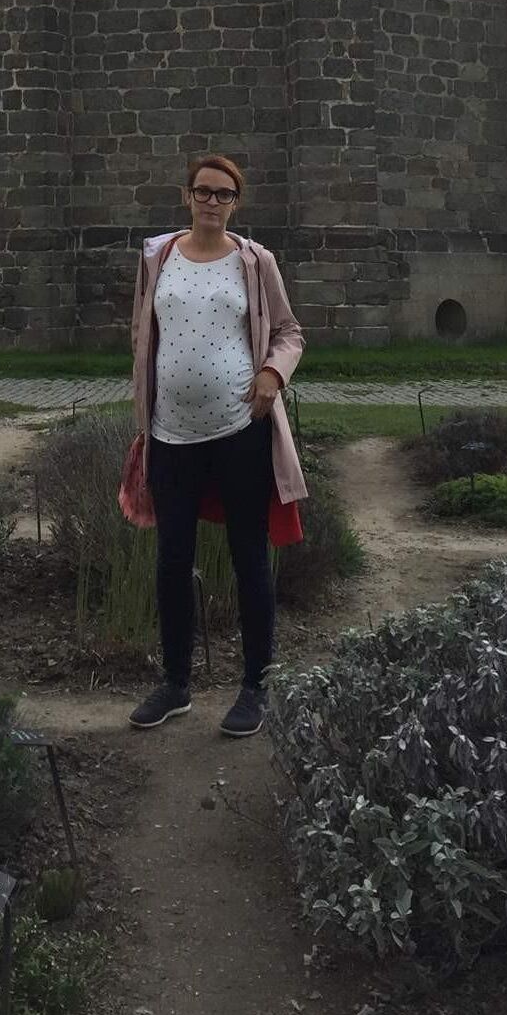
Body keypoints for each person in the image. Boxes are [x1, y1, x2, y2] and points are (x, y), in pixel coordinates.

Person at [126, 154, 308, 738]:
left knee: (249, 557)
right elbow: (143, 330)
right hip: (170, 433)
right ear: (187, 196)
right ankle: (176, 684)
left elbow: (288, 331)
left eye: (223, 194)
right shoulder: (158, 259)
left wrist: (272, 376)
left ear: (236, 202)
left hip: (240, 431)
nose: (212, 201)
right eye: (203, 191)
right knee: (172, 561)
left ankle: (257, 684)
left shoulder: (255, 262)